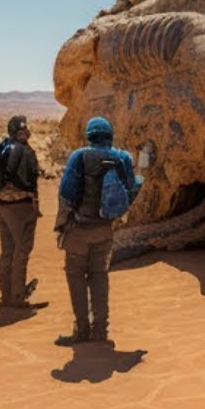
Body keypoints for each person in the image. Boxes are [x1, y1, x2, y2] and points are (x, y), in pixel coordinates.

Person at [54, 116, 139, 345]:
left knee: (76, 278)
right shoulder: (122, 158)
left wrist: (61, 225)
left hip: (79, 230)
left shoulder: (79, 156)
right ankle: (100, 330)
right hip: (104, 230)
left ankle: (81, 330)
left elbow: (66, 193)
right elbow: (132, 188)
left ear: (89, 135)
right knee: (99, 277)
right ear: (109, 134)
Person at [0, 115, 42, 308]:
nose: (27, 132)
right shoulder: (26, 151)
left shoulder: (1, 149)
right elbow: (31, 182)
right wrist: (35, 206)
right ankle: (18, 297)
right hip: (21, 207)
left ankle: (5, 294)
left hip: (1, 205)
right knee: (21, 251)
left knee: (7, 251)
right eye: (25, 130)